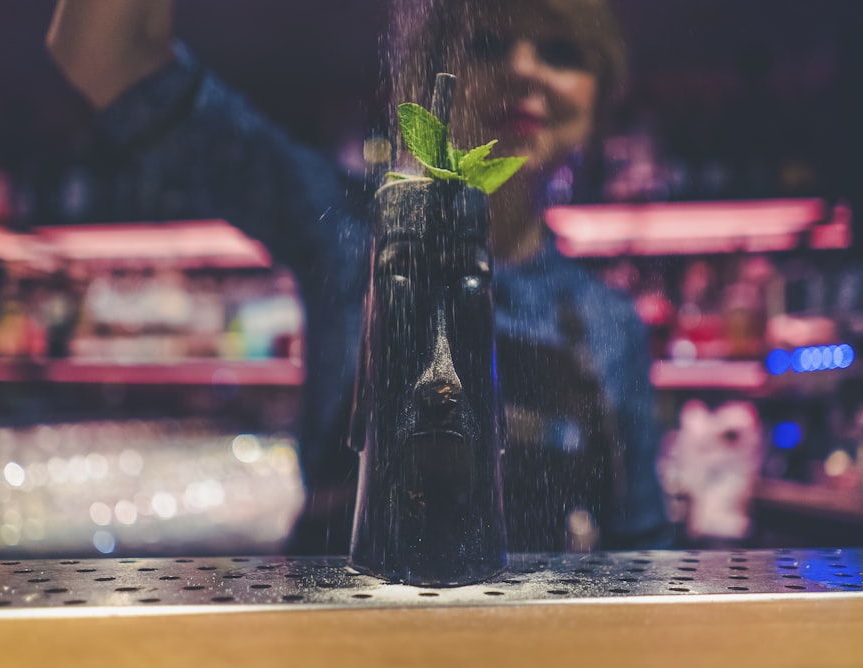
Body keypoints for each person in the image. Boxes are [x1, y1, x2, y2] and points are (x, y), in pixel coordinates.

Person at [46, 0, 670, 553]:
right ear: (430, 80)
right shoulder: (347, 231)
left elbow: (642, 547)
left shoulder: (608, 323)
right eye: (487, 43)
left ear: (599, 94)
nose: (525, 68)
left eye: (561, 52)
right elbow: (107, 56)